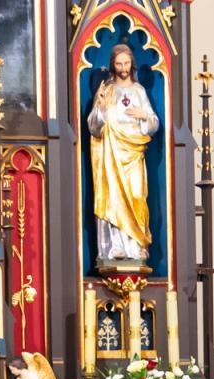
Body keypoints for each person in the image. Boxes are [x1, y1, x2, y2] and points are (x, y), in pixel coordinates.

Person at [88, 44, 159, 269]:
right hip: (111, 155)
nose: (123, 68)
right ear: (113, 65)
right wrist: (99, 106)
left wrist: (144, 115)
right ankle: (114, 248)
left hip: (133, 153)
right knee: (113, 199)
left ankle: (136, 244)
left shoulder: (139, 91)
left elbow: (154, 124)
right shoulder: (106, 91)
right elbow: (94, 128)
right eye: (119, 64)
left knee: (137, 195)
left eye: (126, 63)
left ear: (132, 64)